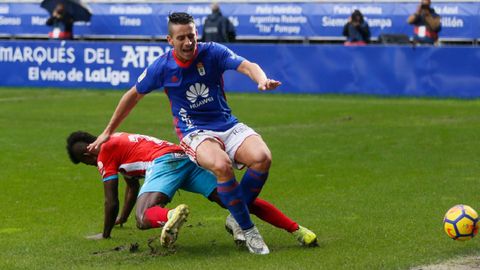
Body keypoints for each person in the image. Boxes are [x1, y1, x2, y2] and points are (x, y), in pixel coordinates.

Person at [88, 12, 283, 255]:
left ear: (196, 33)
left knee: (263, 157)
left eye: (191, 36)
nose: (188, 42)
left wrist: (261, 80)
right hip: (194, 132)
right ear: (170, 40)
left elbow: (246, 65)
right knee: (221, 165)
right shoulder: (161, 66)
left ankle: (236, 216)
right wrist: (108, 131)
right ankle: (249, 229)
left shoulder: (213, 52)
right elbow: (133, 95)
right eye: (181, 38)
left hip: (226, 124)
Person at [67, 131, 317, 249]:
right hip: (183, 157)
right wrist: (121, 217)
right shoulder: (118, 142)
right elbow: (132, 187)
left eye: (86, 157)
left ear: (89, 151)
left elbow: (109, 200)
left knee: (144, 218)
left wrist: (106, 234)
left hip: (164, 163)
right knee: (237, 201)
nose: (91, 161)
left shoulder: (104, 153)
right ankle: (298, 231)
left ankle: (170, 214)